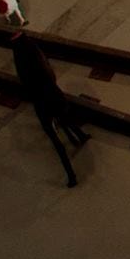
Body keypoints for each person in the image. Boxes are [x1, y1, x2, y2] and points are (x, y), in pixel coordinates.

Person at [11, 31, 90, 187]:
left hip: (40, 101)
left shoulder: (19, 57)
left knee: (54, 138)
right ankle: (79, 136)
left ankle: (71, 175)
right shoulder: (33, 49)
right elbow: (48, 72)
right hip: (53, 95)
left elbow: (24, 81)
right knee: (65, 117)